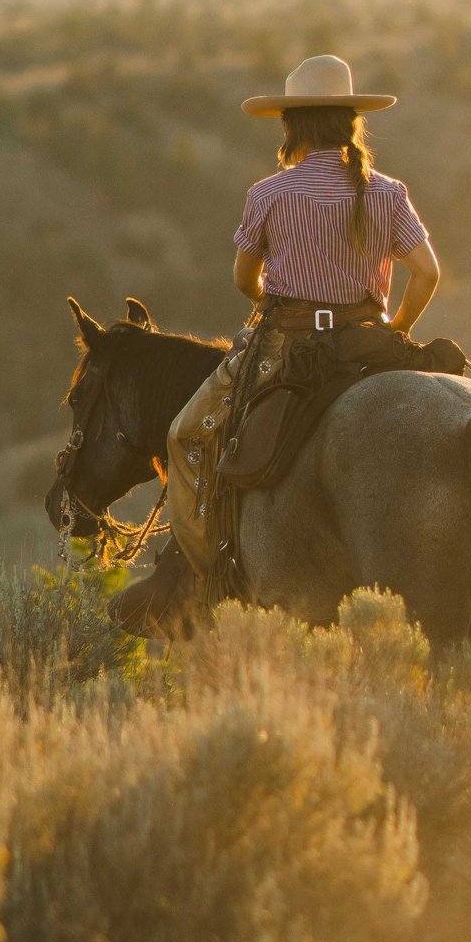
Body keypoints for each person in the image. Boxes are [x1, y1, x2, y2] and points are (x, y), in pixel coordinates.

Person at [125, 54, 442, 624]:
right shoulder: (389, 193)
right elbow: (427, 274)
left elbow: (242, 279)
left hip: (285, 344)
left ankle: (212, 576)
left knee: (185, 436)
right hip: (368, 342)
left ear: (292, 126)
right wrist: (397, 330)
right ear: (351, 121)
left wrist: (269, 300)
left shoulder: (268, 194)